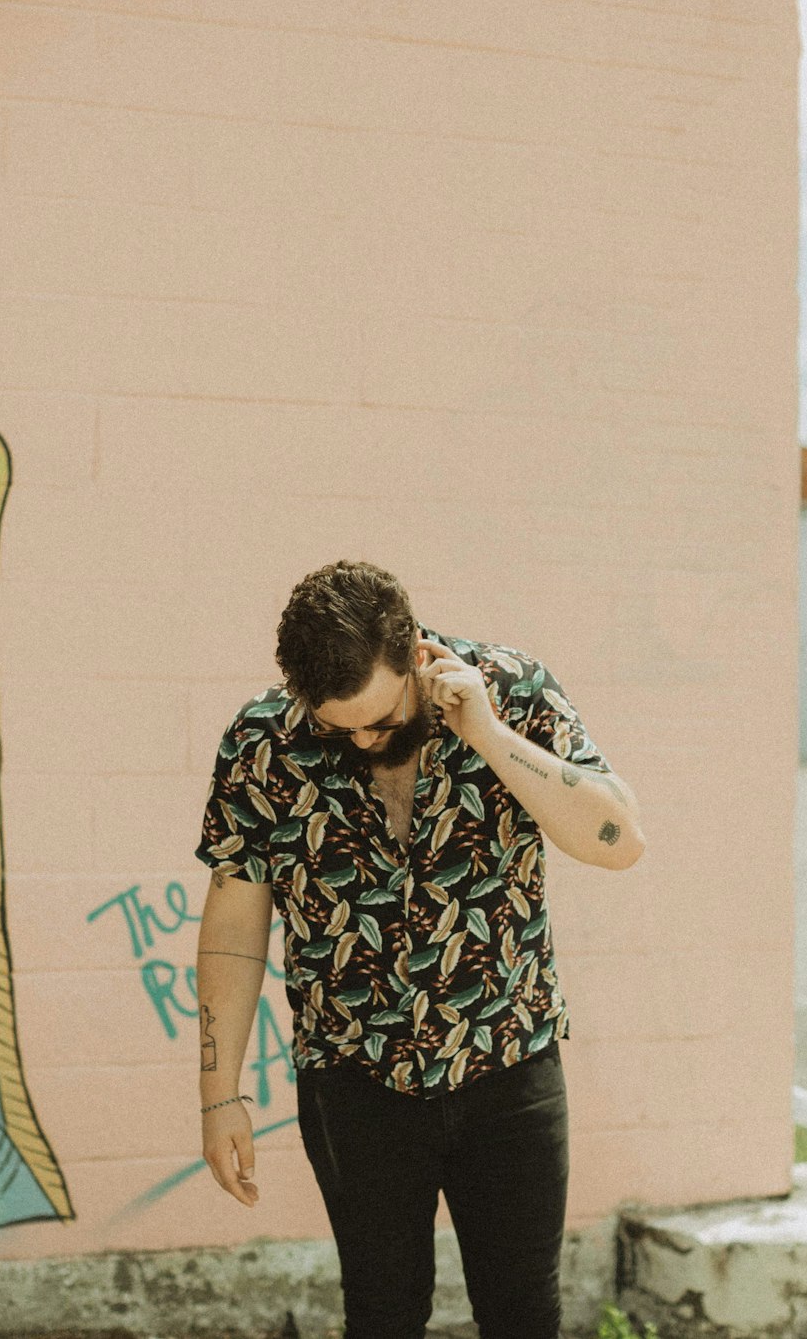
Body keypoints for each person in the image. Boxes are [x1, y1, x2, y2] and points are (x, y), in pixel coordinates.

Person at [194, 560, 645, 1339]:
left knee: (523, 1316)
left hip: (509, 1066)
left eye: (380, 716)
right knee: (381, 1316)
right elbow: (235, 928)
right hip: (354, 1081)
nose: (364, 738)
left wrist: (490, 737)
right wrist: (218, 1091)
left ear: (414, 654)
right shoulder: (262, 742)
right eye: (339, 727)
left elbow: (618, 839)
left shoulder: (512, 690)